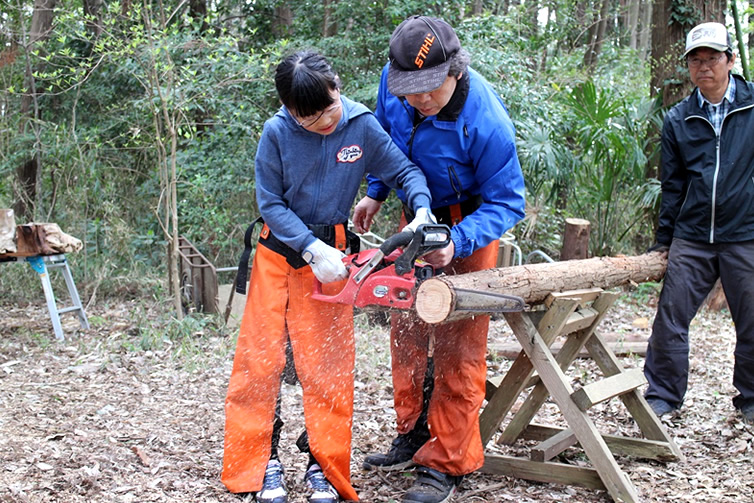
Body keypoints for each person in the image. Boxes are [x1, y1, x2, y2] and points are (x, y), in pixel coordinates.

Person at [222, 50, 433, 503]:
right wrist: (308, 246)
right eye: (308, 117)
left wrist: (421, 208)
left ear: (337, 85)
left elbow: (403, 171)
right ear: (289, 110)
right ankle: (261, 466)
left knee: (330, 370)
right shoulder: (276, 132)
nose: (322, 122)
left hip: (335, 262)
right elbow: (270, 204)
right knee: (261, 366)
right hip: (279, 255)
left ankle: (324, 464)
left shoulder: (360, 125)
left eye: (328, 109)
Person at [352, 15, 526, 503]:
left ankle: (447, 461)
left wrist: (459, 241)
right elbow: (386, 140)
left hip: (468, 224)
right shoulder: (394, 84)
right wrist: (377, 194)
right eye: (411, 89)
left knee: (459, 342)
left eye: (429, 88)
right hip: (416, 215)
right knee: (406, 325)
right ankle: (412, 431)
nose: (419, 100)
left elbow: (509, 201)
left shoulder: (486, 119)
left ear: (455, 69)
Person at [644, 21, 754, 424]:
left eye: (711, 58)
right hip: (692, 235)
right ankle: (663, 396)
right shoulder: (679, 118)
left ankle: (750, 398)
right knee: (671, 317)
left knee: (752, 319)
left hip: (746, 233)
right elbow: (672, 185)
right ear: (688, 66)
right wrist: (664, 241)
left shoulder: (752, 105)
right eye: (695, 60)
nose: (703, 67)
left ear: (730, 60)